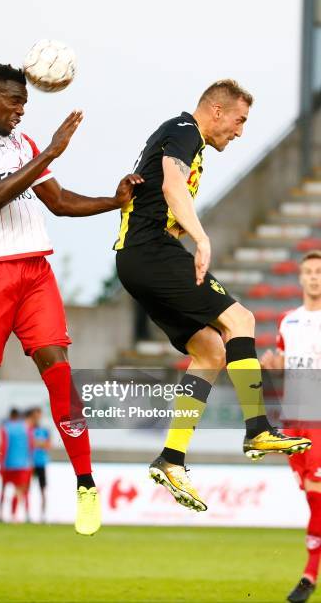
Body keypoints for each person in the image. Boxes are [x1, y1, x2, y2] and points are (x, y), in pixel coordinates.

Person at [0, 63, 143, 549]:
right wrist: (53, 148)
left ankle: (87, 485)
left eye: (25, 103)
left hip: (35, 273)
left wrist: (114, 201)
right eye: (14, 102)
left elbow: (59, 201)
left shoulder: (24, 144)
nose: (21, 111)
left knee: (59, 371)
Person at [114, 79, 311, 512]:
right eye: (239, 120)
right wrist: (201, 238)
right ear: (217, 112)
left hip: (137, 259)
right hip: (151, 252)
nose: (240, 131)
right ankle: (258, 427)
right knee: (241, 321)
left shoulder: (181, 137)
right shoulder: (185, 129)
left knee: (209, 352)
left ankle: (171, 458)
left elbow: (160, 190)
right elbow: (171, 185)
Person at [261, 251, 321, 603]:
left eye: (319, 272)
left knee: (316, 494)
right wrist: (274, 366)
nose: (314, 277)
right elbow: (284, 361)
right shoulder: (287, 321)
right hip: (294, 419)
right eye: (309, 272)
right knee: (311, 494)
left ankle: (308, 576)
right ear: (300, 278)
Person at [0, 408, 33, 523]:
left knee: (3, 489)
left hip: (7, 464)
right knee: (19, 491)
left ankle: (0, 514)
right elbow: (30, 445)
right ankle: (14, 515)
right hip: (23, 464)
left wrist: (0, 463)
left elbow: (3, 446)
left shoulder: (5, 428)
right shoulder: (26, 427)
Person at [26, 407, 51, 522]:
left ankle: (43, 515)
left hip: (41, 463)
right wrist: (39, 443)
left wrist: (37, 443)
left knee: (42, 490)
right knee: (26, 489)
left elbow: (47, 445)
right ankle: (27, 514)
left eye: (38, 416)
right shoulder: (28, 430)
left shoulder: (44, 430)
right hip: (29, 463)